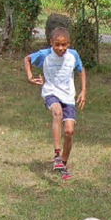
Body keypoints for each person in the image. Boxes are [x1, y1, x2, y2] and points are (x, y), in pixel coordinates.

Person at [24, 27, 87, 180]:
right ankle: (57, 154)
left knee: (69, 131)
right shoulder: (45, 54)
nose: (60, 48)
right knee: (57, 112)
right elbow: (27, 59)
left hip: (68, 96)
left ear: (69, 43)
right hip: (51, 92)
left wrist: (83, 91)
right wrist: (30, 76)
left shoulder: (73, 55)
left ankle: (63, 163)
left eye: (64, 45)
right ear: (51, 42)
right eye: (57, 45)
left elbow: (81, 70)